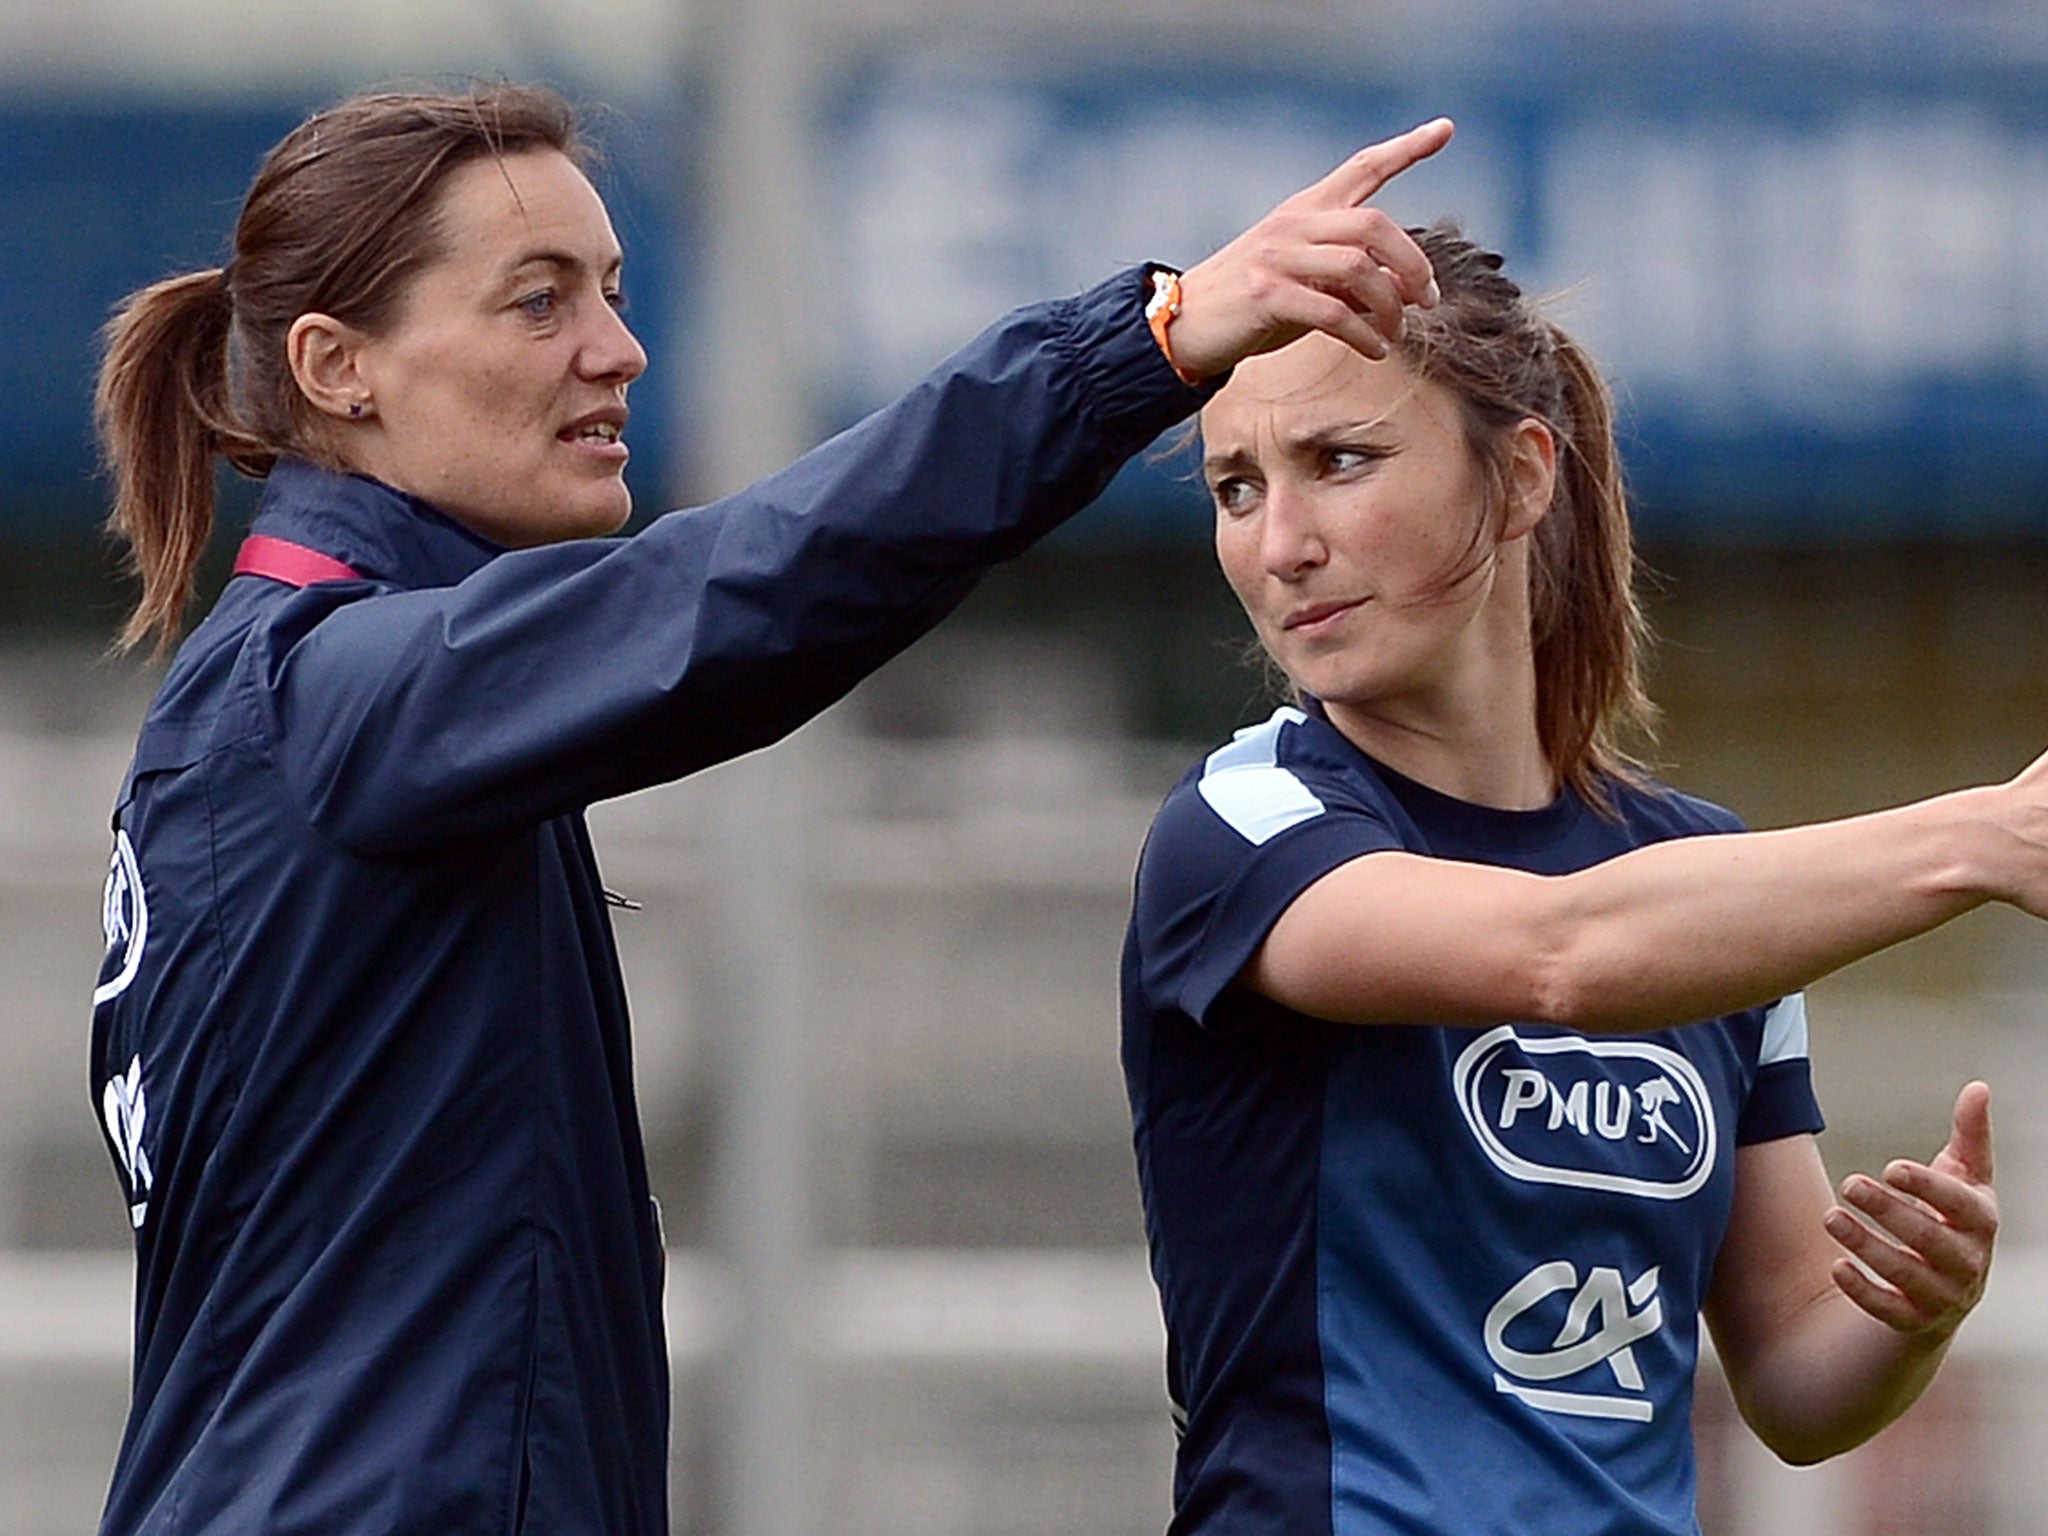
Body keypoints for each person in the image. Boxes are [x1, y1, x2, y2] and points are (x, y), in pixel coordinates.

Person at [87, 80, 1457, 1536]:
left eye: (610, 292)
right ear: (336, 366)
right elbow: (745, 589)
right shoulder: (327, 696)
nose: (617, 351)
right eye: (537, 303)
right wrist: (1148, 344)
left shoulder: (330, 704)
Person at [1121, 222, 2027, 1533]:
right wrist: (1986, 839)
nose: (1282, 543)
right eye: (1237, 488)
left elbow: (1793, 1372)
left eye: (1341, 461)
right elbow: (1562, 956)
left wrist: (1915, 1314)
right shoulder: (1239, 828)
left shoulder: (1698, 880)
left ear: (1522, 477)